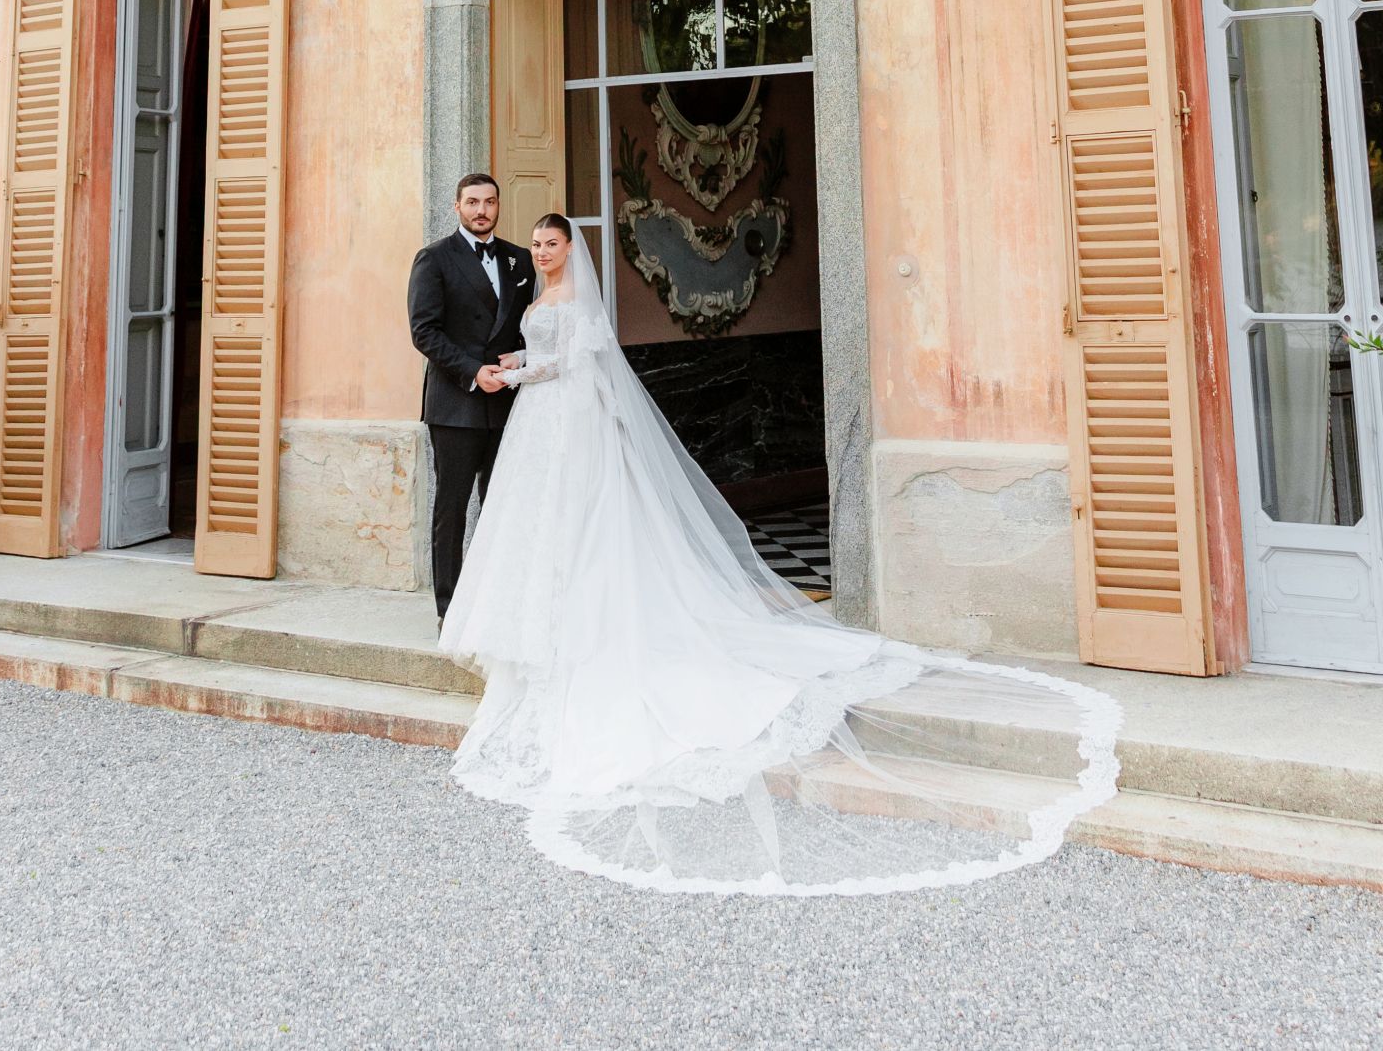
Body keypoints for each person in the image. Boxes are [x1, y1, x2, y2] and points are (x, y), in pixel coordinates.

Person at [440, 211, 1123, 898]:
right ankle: (546, 639)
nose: (542, 252)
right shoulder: (532, 294)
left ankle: (587, 641)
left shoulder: (577, 300)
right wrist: (514, 364)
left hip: (565, 419)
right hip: (539, 423)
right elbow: (542, 356)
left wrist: (524, 372)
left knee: (582, 531)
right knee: (541, 533)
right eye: (537, 244)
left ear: (569, 250)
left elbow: (581, 363)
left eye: (551, 243)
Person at [406, 172, 534, 622]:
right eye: (473, 202)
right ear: (456, 207)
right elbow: (424, 332)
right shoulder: (434, 258)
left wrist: (518, 360)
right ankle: (451, 609)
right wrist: (473, 372)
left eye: (490, 202)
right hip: (456, 403)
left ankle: (497, 601)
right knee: (452, 508)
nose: (482, 210)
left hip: (507, 404)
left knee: (503, 505)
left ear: (499, 207)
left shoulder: (521, 260)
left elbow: (526, 327)